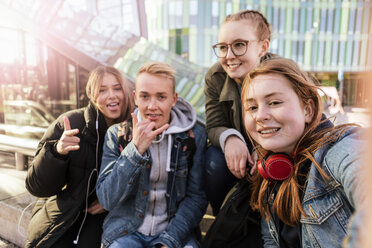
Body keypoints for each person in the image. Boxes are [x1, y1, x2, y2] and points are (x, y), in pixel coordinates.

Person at [241, 57, 366, 247]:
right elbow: (271, 240)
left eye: (274, 102)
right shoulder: (272, 168)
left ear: (307, 110)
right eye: (252, 107)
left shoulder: (337, 152)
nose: (260, 115)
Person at [96, 61, 208, 248]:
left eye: (161, 97)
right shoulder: (118, 135)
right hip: (126, 231)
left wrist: (169, 241)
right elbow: (107, 199)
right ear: (135, 98)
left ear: (174, 99)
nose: (152, 106)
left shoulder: (194, 136)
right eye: (145, 97)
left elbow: (196, 198)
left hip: (174, 231)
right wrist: (135, 150)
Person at [25, 66, 134, 248]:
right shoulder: (71, 123)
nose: (112, 96)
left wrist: (111, 201)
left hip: (109, 219)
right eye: (102, 90)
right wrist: (57, 153)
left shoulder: (135, 129)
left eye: (117, 88)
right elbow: (36, 186)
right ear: (91, 94)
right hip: (64, 215)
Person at [204, 9, 274, 215]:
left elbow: (293, 125)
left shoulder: (282, 74)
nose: (229, 56)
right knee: (213, 161)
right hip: (237, 151)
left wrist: (264, 147)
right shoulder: (215, 77)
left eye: (239, 45)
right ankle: (223, 220)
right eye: (223, 47)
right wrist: (230, 138)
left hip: (274, 146)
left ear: (263, 47)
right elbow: (214, 123)